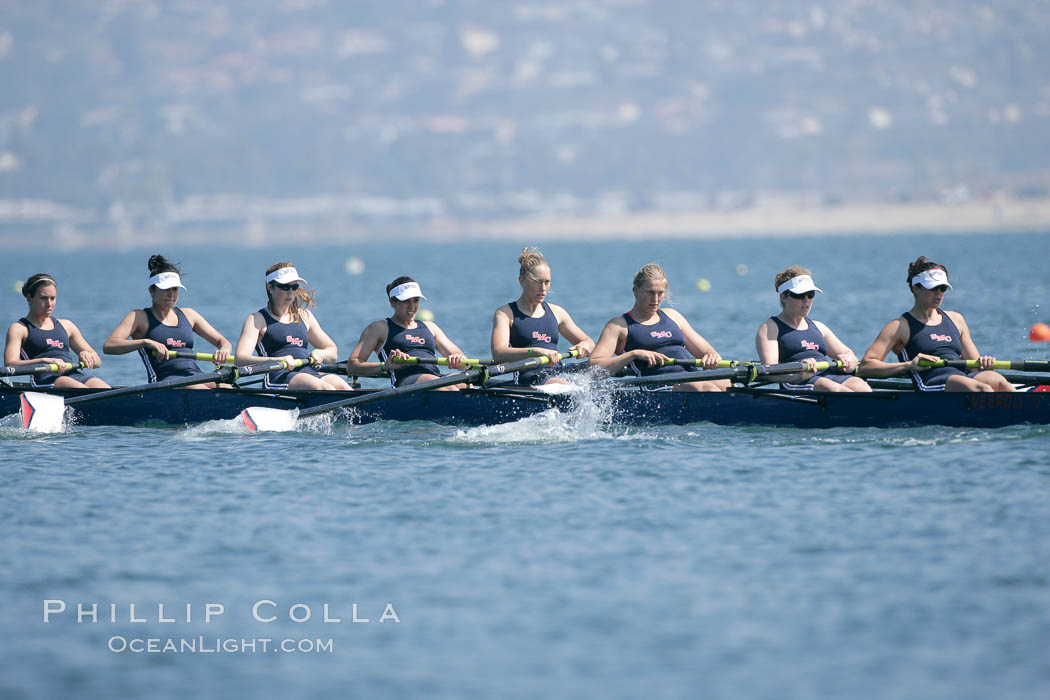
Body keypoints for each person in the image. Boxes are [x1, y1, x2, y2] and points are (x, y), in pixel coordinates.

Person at [860, 256, 1014, 392]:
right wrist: (908, 366)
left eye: (943, 288)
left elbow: (974, 365)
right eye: (933, 288)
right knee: (983, 389)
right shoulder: (899, 327)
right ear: (916, 288)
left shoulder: (956, 319)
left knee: (1002, 383)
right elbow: (866, 367)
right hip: (930, 383)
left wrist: (984, 362)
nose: (939, 293)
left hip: (963, 377)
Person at [589, 263, 728, 391]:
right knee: (707, 388)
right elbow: (594, 367)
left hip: (691, 380)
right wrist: (634, 354)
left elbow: (708, 351)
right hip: (661, 388)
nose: (655, 299)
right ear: (636, 290)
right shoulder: (619, 326)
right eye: (650, 292)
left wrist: (712, 358)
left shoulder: (673, 316)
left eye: (660, 293)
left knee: (726, 382)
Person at [104, 255, 233, 389]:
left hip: (196, 376)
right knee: (200, 389)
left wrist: (224, 350)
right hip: (165, 381)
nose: (171, 294)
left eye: (175, 289)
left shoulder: (189, 315)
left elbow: (223, 342)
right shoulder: (139, 317)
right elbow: (109, 346)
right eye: (166, 289)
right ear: (152, 290)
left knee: (227, 388)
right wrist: (145, 342)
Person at [234, 261, 350, 390]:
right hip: (278, 377)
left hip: (309, 373)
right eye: (284, 287)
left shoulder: (305, 316)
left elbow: (332, 352)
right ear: (270, 287)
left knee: (343, 387)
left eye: (294, 287)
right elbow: (240, 360)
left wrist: (321, 354)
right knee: (325, 388)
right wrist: (277, 360)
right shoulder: (257, 319)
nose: (290, 292)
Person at [754, 266, 871, 392]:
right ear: (784, 297)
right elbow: (770, 370)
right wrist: (800, 373)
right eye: (800, 295)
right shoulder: (770, 327)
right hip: (798, 380)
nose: (806, 300)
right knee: (833, 389)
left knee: (862, 387)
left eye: (810, 294)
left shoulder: (819, 327)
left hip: (828, 374)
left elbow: (849, 355)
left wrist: (848, 363)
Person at [491, 247, 594, 385]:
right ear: (521, 280)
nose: (543, 288)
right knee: (565, 385)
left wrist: (583, 346)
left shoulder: (557, 312)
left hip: (557, 373)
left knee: (589, 382)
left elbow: (590, 343)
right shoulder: (505, 314)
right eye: (537, 282)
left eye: (547, 282)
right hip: (528, 377)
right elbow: (498, 353)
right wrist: (536, 352)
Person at [346, 277, 468, 390]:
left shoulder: (431, 327)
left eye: (416, 300)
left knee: (465, 384)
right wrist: (385, 366)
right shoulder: (379, 328)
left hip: (435, 380)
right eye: (406, 301)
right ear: (392, 302)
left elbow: (465, 365)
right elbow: (352, 367)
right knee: (448, 388)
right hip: (406, 384)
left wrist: (458, 360)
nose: (412, 306)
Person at [5, 273, 110, 389]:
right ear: (29, 298)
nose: (49, 304)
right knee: (78, 388)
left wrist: (85, 354)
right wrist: (44, 361)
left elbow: (97, 362)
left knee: (102, 387)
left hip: (74, 375)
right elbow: (10, 364)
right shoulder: (19, 328)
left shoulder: (67, 325)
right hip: (45, 380)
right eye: (43, 298)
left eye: (53, 298)